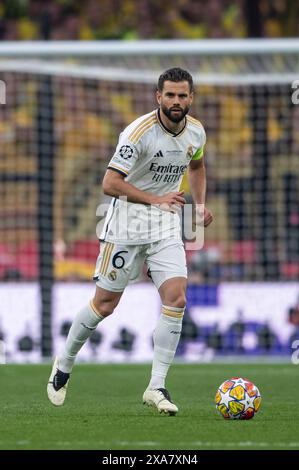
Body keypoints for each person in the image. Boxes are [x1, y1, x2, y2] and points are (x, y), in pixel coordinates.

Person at [47, 67, 213, 415]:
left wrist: (198, 207)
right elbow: (109, 183)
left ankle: (156, 386)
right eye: (170, 95)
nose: (177, 101)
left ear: (191, 98)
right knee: (104, 305)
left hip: (165, 224)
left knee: (177, 298)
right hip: (126, 224)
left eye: (183, 95)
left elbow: (196, 166)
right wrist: (154, 200)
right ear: (158, 97)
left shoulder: (196, 132)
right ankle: (63, 362)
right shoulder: (138, 133)